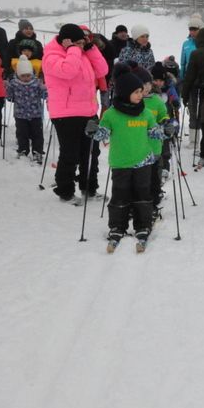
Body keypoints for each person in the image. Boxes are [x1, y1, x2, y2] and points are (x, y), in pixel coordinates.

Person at [86, 67, 174, 251]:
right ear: (125, 93)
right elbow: (103, 134)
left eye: (141, 91)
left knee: (143, 194)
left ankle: (143, 225)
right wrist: (94, 130)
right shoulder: (111, 114)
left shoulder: (145, 113)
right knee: (120, 194)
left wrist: (166, 131)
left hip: (144, 161)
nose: (140, 95)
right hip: (120, 162)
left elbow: (154, 133)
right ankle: (118, 226)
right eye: (136, 92)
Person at [43, 23, 108, 204]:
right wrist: (73, 49)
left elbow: (103, 70)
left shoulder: (82, 53)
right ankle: (65, 191)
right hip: (66, 113)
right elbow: (68, 71)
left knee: (91, 153)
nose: (81, 46)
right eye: (78, 42)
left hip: (88, 111)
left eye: (82, 42)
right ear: (67, 42)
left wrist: (90, 48)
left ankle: (89, 188)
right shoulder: (51, 56)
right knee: (70, 153)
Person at [139, 67, 170, 215]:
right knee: (140, 176)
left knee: (154, 173)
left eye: (148, 84)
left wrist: (165, 122)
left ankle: (155, 195)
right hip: (138, 146)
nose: (145, 87)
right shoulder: (133, 100)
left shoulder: (156, 100)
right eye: (142, 84)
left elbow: (164, 115)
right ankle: (141, 199)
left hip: (154, 145)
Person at [6, 55, 46, 162]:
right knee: (22, 133)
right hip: (20, 115)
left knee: (37, 134)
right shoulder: (14, 84)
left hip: (36, 114)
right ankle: (23, 150)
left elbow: (44, 95)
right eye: (23, 76)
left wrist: (44, 89)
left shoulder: (36, 83)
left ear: (32, 74)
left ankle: (37, 151)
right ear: (18, 75)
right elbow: (9, 97)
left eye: (28, 75)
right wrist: (7, 90)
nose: (26, 78)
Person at [180, 13, 203, 80]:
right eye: (190, 29)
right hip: (189, 76)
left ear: (200, 29)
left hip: (201, 76)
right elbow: (183, 63)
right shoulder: (186, 44)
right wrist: (182, 77)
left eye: (195, 29)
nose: (192, 32)